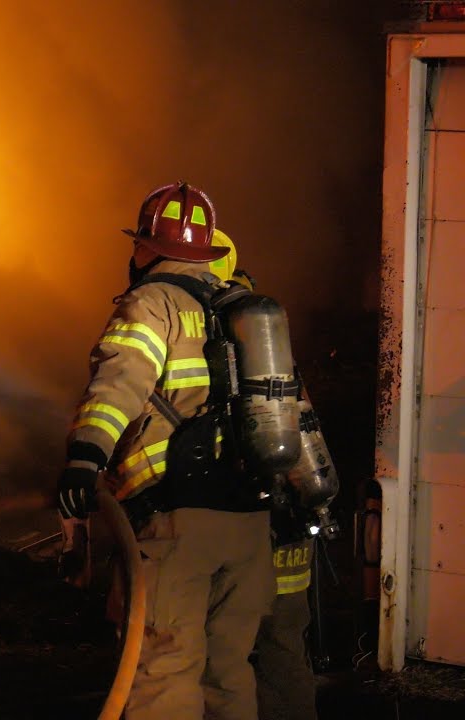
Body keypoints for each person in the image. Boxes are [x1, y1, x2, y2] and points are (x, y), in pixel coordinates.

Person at [58, 182, 275, 720]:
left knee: (164, 675)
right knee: (228, 675)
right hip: (249, 523)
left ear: (146, 247)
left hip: (178, 522)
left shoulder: (153, 303)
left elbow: (119, 384)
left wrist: (86, 458)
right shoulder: (243, 309)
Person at [207, 244, 320, 720]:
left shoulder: (208, 340)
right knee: (285, 646)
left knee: (223, 651)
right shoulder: (271, 353)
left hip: (242, 524)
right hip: (292, 522)